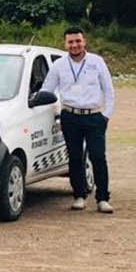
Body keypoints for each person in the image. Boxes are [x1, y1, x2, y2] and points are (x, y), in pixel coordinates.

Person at [39, 25, 116, 212]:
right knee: (74, 157)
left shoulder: (97, 62)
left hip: (94, 116)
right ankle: (79, 196)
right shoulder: (59, 65)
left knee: (98, 157)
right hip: (70, 116)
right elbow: (47, 89)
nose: (75, 45)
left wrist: (105, 116)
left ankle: (102, 198)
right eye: (71, 42)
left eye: (78, 41)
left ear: (84, 42)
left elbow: (109, 91)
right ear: (65, 44)